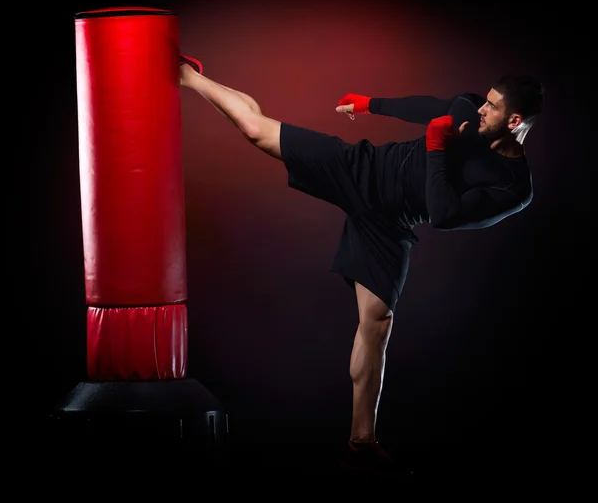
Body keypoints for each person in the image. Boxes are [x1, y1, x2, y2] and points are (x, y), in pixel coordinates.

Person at [178, 54, 544, 475]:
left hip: (391, 222)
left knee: (377, 322)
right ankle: (187, 75)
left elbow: (444, 215)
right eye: (486, 100)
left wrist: (437, 146)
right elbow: (430, 107)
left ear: (514, 121)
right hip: (362, 170)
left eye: (493, 107)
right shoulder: (468, 110)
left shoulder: (512, 187)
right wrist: (372, 103)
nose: (482, 108)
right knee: (257, 130)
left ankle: (360, 443)